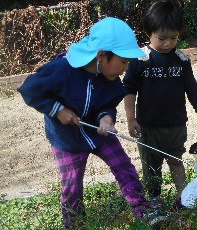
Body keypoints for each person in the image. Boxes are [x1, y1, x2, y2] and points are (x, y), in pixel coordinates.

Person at [17, 17, 165, 228]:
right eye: (123, 62)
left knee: (124, 167)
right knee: (72, 185)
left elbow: (108, 103)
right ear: (101, 55)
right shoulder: (62, 70)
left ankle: (143, 211)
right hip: (66, 139)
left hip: (98, 133)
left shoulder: (111, 79)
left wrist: (106, 117)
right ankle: (75, 223)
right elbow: (29, 90)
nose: (125, 69)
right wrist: (57, 110)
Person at [123, 0, 197, 211]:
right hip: (148, 127)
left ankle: (184, 196)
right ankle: (155, 200)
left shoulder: (181, 60)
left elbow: (192, 89)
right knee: (152, 167)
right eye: (162, 38)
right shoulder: (140, 60)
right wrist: (131, 119)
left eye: (173, 38)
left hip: (176, 125)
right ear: (149, 33)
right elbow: (129, 90)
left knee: (176, 160)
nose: (168, 43)